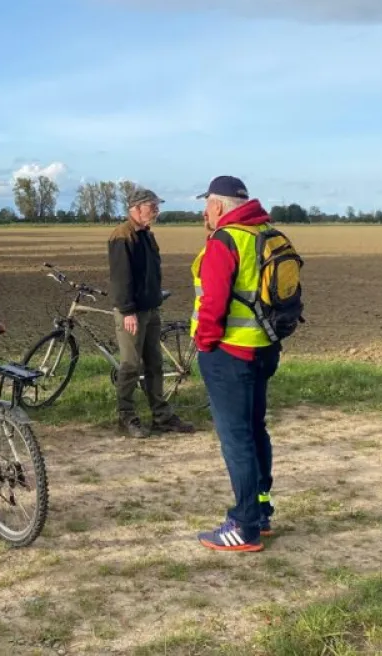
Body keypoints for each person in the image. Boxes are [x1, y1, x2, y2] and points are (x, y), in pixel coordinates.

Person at [191, 175, 281, 553]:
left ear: (216, 205)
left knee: (237, 438)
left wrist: (205, 344)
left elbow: (213, 304)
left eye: (206, 205)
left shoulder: (226, 240)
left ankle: (244, 526)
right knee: (255, 429)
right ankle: (260, 509)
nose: (204, 213)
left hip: (229, 354)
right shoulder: (267, 234)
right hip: (264, 349)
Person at [107, 187, 195, 438]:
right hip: (132, 313)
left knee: (155, 363)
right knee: (130, 364)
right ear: (136, 208)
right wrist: (127, 311)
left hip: (150, 309)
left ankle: (162, 417)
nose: (156, 211)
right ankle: (126, 417)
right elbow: (121, 278)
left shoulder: (146, 234)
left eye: (157, 206)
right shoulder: (122, 236)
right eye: (152, 206)